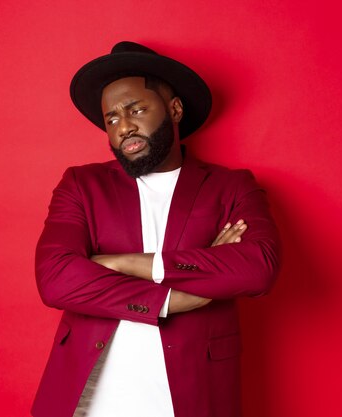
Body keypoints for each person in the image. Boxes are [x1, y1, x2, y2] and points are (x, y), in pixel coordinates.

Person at [32, 41, 281, 417]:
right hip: (89, 397)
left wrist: (123, 263)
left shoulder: (231, 187)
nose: (123, 126)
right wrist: (172, 298)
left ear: (174, 109)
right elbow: (55, 279)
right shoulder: (82, 185)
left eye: (136, 109)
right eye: (111, 119)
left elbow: (258, 268)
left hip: (193, 392)